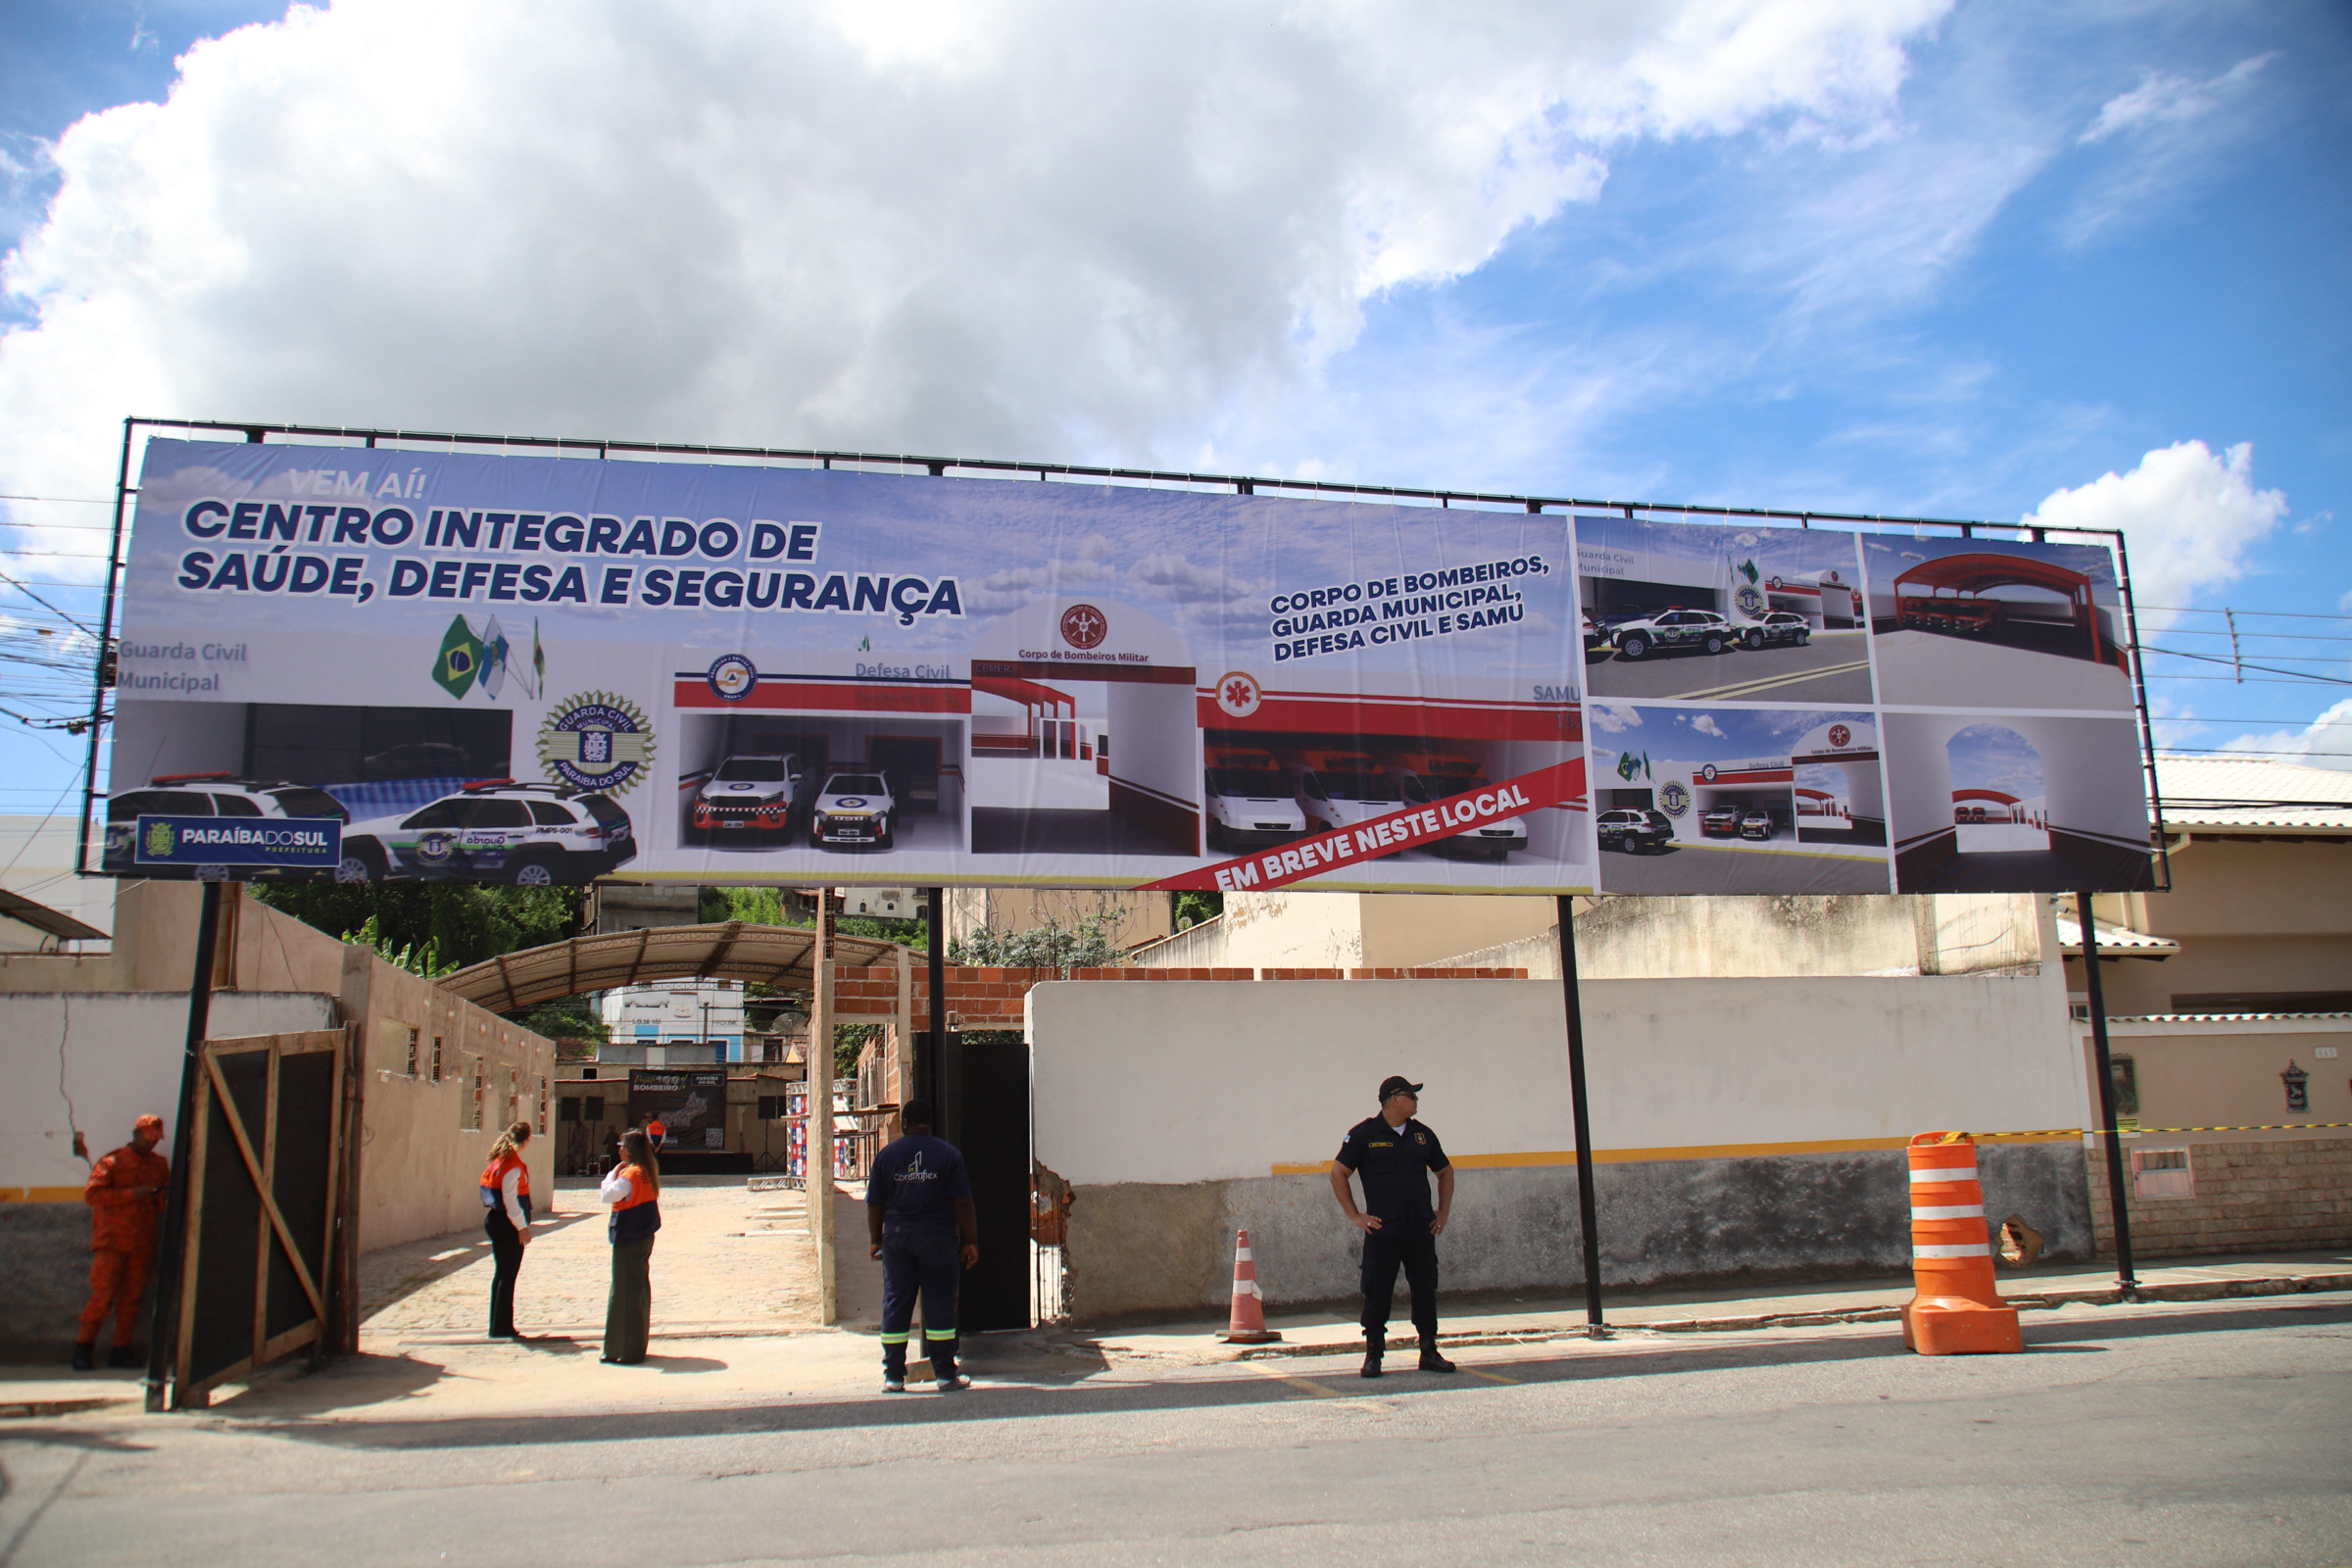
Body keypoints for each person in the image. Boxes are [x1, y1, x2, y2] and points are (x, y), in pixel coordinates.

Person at [1329, 1075, 1456, 1379]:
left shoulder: (1422, 1135)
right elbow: (1338, 1174)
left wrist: (1443, 1213)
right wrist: (1356, 1216)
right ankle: (1374, 1354)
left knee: (1425, 1291)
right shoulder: (1364, 1135)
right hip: (1383, 1231)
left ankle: (1428, 1350)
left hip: (1420, 1230)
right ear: (1394, 1099)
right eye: (1411, 1096)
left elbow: (1445, 1172)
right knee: (1377, 1292)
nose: (1416, 1100)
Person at [865, 1099, 978, 1394]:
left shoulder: (886, 1156)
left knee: (896, 1302)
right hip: (937, 1239)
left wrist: (876, 1239)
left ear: (904, 1123)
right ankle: (945, 1375)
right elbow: (962, 1203)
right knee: (939, 1302)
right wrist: (971, 1241)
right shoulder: (948, 1155)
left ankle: (893, 1376)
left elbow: (875, 1204)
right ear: (929, 1123)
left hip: (897, 1240)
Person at [74, 1114, 172, 1371]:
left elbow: (163, 1204)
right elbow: (93, 1195)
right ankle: (84, 1347)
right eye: (147, 1137)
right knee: (103, 1295)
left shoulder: (158, 1165)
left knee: (131, 1299)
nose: (151, 1143)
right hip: (112, 1242)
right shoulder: (112, 1162)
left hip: (141, 1243)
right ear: (135, 1134)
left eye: (155, 1139)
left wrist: (161, 1196)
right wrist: (133, 1194)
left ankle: (121, 1350)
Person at [599, 1127, 662, 1364]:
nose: (619, 1151)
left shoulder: (630, 1174)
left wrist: (611, 1174)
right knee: (638, 1290)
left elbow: (607, 1195)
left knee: (623, 1292)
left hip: (628, 1236)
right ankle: (634, 1345)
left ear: (629, 1149)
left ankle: (621, 1349)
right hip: (643, 1235)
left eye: (621, 1147)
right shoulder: (647, 1171)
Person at [478, 1121, 534, 1340]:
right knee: (507, 1275)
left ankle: (497, 1325)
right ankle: (502, 1327)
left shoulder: (498, 1161)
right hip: (507, 1224)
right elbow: (510, 1200)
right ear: (526, 1140)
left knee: (501, 1274)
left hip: (496, 1220)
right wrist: (522, 1227)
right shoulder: (513, 1165)